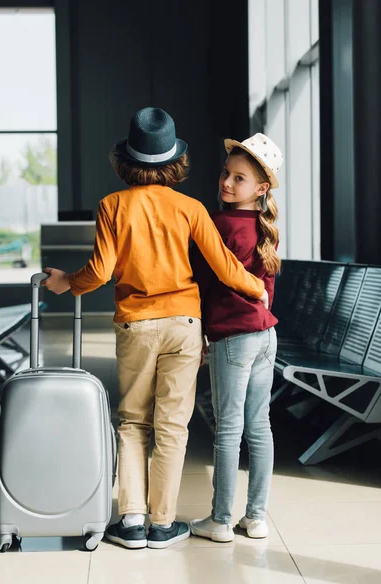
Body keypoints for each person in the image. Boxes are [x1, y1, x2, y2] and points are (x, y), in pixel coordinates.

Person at [42, 107, 268, 550]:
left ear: (127, 158)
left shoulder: (112, 206)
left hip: (136, 325)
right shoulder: (191, 208)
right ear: (174, 160)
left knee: (131, 422)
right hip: (185, 325)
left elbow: (101, 271)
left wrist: (66, 283)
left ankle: (130, 521)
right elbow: (225, 267)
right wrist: (256, 288)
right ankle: (162, 524)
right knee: (172, 426)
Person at [189, 132, 283, 543]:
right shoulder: (265, 230)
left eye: (238, 178)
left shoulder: (218, 225)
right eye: (226, 173)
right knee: (258, 427)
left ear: (260, 188)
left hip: (234, 338)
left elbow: (202, 282)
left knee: (228, 429)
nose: (226, 183)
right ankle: (257, 517)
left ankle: (221, 520)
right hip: (266, 335)